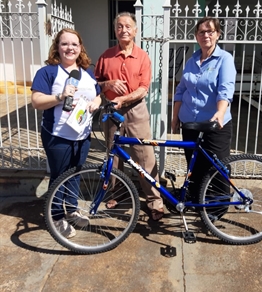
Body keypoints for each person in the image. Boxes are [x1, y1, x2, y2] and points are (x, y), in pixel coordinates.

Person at [31, 28, 102, 237]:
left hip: (82, 135)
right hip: (57, 135)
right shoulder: (48, 72)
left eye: (74, 44)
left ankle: (71, 211)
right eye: (65, 44)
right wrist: (60, 96)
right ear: (57, 47)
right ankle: (55, 217)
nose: (70, 48)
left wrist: (95, 103)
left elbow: (98, 94)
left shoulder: (87, 72)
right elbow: (36, 101)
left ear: (80, 48)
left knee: (75, 174)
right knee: (59, 177)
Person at [94, 12, 164, 221]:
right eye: (120, 26)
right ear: (115, 30)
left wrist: (123, 99)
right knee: (113, 155)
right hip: (111, 111)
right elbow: (94, 83)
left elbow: (143, 89)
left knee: (144, 155)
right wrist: (108, 84)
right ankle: (117, 193)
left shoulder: (142, 56)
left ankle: (154, 200)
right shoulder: (106, 56)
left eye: (128, 26)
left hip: (136, 110)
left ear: (135, 30)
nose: (124, 30)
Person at [171, 17, 236, 216]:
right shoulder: (192, 61)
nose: (206, 35)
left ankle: (218, 207)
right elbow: (181, 90)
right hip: (190, 123)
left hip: (214, 124)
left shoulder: (224, 59)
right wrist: (175, 117)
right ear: (196, 36)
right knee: (195, 164)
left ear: (218, 34)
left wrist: (220, 112)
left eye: (210, 31)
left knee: (217, 166)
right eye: (201, 32)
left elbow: (225, 89)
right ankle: (198, 199)